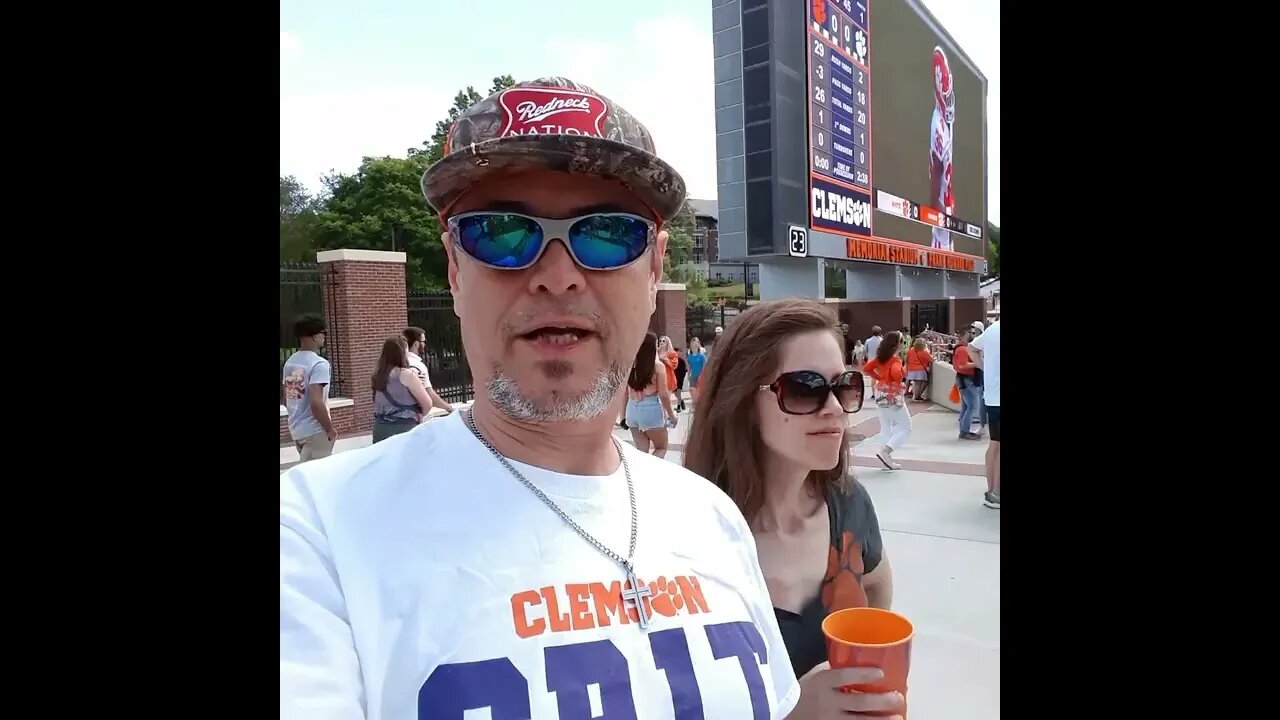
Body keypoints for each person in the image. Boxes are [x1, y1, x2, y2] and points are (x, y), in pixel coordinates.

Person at [280, 77, 801, 718]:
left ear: (656, 266)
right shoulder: (315, 536)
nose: (557, 276)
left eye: (608, 233)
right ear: (454, 268)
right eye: (501, 232)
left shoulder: (712, 516)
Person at [683, 298, 902, 718]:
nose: (836, 408)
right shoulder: (684, 535)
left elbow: (875, 583)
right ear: (743, 401)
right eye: (805, 388)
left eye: (844, 386)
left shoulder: (849, 504)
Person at [281, 313, 336, 462]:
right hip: (316, 431)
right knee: (318, 479)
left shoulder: (290, 362)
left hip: (297, 429)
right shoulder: (319, 364)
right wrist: (330, 429)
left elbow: (287, 396)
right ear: (314, 336)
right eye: (323, 333)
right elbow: (316, 403)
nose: (325, 336)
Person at [862, 330, 911, 470]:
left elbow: (866, 368)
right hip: (892, 395)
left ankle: (885, 459)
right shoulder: (895, 360)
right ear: (897, 344)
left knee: (885, 427)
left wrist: (880, 379)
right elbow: (896, 373)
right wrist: (897, 379)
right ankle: (886, 451)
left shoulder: (880, 358)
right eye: (902, 342)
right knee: (906, 427)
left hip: (880, 393)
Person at [624, 331, 678, 457]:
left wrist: (622, 416)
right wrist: (672, 415)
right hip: (650, 408)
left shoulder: (630, 364)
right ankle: (651, 475)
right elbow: (664, 395)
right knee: (661, 447)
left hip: (632, 409)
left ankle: (639, 474)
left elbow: (624, 392)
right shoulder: (657, 366)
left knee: (641, 453)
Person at [370, 336, 434, 443]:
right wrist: (418, 413)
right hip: (404, 427)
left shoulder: (378, 375)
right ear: (402, 353)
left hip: (380, 428)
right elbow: (427, 404)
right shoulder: (407, 375)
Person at [968, 319, 1000, 509]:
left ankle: (992, 490)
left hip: (992, 396)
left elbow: (971, 348)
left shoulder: (992, 330)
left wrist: (984, 367)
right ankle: (995, 492)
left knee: (995, 443)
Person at [929, 45, 956, 252]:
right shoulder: (939, 125)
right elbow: (937, 173)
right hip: (942, 225)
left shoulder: (941, 122)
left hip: (945, 219)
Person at [403, 326, 455, 415]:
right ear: (416, 344)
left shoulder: (396, 363)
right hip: (412, 416)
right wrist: (449, 408)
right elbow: (429, 394)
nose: (425, 345)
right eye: (423, 342)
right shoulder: (418, 366)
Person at [951, 329, 981, 440]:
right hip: (967, 379)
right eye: (971, 333)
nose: (973, 335)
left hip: (963, 379)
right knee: (972, 407)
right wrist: (978, 363)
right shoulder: (963, 349)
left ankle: (964, 430)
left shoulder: (959, 348)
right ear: (965, 335)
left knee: (966, 407)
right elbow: (962, 365)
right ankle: (964, 431)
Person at [905, 337, 933, 401]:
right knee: (919, 383)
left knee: (916, 383)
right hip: (920, 370)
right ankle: (916, 397)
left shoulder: (911, 350)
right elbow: (931, 359)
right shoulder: (924, 351)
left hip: (911, 369)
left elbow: (907, 358)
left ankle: (917, 395)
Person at [686, 336, 707, 401]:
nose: (694, 346)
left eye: (695, 345)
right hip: (693, 375)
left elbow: (705, 366)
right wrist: (688, 375)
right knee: (691, 389)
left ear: (698, 346)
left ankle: (698, 403)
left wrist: (701, 375)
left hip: (700, 376)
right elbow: (689, 366)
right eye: (692, 345)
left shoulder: (701, 356)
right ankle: (694, 402)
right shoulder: (690, 357)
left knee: (699, 391)